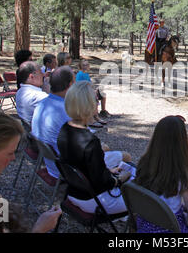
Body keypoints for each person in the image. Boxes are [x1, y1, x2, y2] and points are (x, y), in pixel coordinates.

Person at [57, 81, 132, 214]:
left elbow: (85, 168)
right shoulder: (90, 142)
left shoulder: (64, 129)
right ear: (89, 106)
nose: (97, 103)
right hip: (93, 200)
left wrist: (108, 171)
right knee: (140, 198)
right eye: (96, 101)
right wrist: (119, 179)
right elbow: (102, 183)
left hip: (73, 192)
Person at [135, 116, 188, 233]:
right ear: (183, 142)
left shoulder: (142, 166)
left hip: (144, 226)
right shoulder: (182, 176)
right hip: (170, 229)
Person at [31, 66, 75, 180]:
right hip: (68, 170)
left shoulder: (41, 104)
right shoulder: (66, 111)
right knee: (125, 156)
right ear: (70, 85)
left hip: (52, 164)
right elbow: (84, 146)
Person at [76, 59, 110, 124]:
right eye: (84, 65)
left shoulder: (86, 74)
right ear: (80, 66)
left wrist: (95, 89)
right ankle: (96, 117)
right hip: (83, 93)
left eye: (87, 65)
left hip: (89, 91)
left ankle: (103, 111)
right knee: (94, 99)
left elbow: (90, 84)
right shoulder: (80, 74)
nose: (86, 66)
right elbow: (79, 85)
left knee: (102, 94)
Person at [16, 61, 48, 126]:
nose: (43, 75)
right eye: (41, 72)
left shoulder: (20, 91)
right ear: (31, 76)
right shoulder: (38, 96)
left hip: (28, 130)